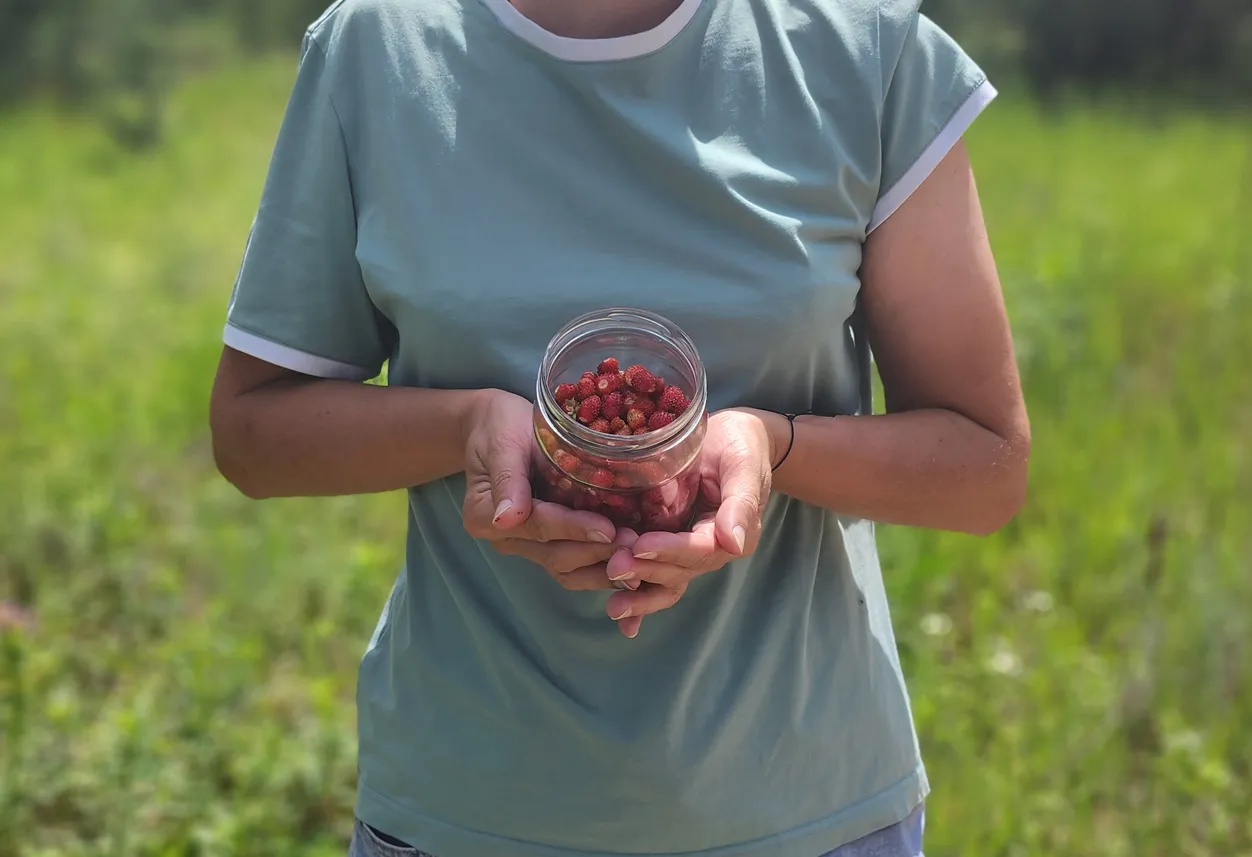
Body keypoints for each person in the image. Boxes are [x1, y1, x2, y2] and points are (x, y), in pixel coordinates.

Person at [208, 0, 1030, 853]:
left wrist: (772, 447)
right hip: (469, 807)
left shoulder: (864, 47)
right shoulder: (378, 48)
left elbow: (987, 464)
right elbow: (253, 429)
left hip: (809, 810)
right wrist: (468, 426)